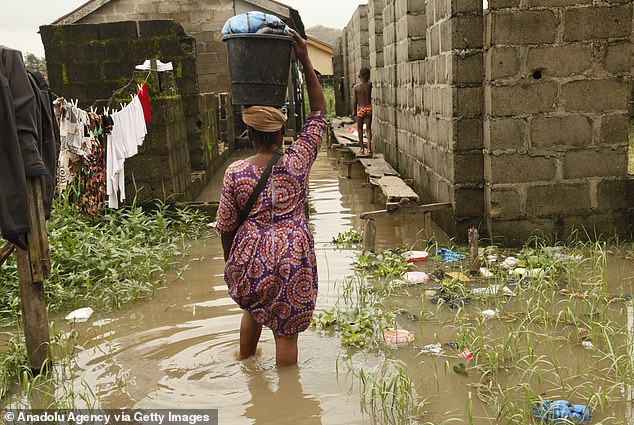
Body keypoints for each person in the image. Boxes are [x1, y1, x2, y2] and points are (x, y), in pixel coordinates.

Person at [215, 29, 327, 367]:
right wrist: (305, 60)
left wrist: (231, 262)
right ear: (282, 133)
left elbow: (225, 227)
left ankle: (247, 370)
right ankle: (288, 405)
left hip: (252, 255)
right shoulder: (297, 161)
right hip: (293, 254)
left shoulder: (235, 172)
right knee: (286, 333)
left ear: (249, 135)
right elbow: (319, 114)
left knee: (252, 309)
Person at [352, 67, 373, 155]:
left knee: (360, 129)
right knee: (368, 129)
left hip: (360, 108)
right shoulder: (369, 85)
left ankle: (361, 148)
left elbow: (355, 101)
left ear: (360, 75)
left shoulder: (356, 87)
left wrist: (354, 111)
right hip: (368, 108)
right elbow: (368, 82)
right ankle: (369, 148)